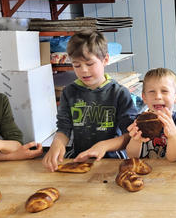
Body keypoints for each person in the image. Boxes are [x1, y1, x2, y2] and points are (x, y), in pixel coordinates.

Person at [43, 30, 137, 172]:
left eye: (89, 63)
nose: (84, 70)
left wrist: (104, 146)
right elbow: (64, 129)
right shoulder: (69, 92)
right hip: (79, 159)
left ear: (105, 60)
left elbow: (130, 135)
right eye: (77, 65)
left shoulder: (119, 93)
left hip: (112, 161)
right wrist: (57, 142)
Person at [126, 68, 176, 161]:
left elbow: (173, 158)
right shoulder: (139, 121)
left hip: (175, 173)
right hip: (146, 172)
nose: (157, 96)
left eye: (164, 91)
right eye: (151, 91)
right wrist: (136, 140)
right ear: (144, 97)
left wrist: (173, 136)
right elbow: (133, 157)